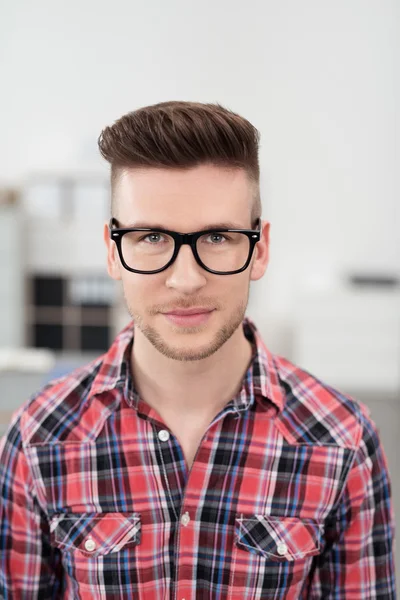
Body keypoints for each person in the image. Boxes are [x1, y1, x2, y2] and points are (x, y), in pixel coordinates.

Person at [0, 101, 395, 599]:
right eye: (149, 237)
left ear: (260, 249)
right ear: (112, 251)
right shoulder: (38, 438)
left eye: (217, 237)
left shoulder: (344, 441)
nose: (186, 280)